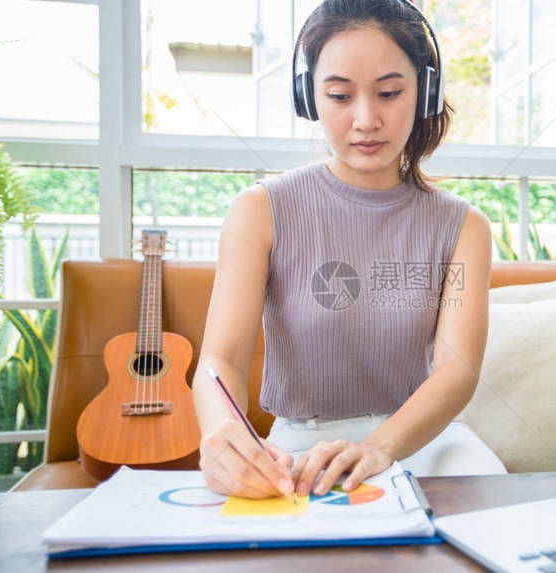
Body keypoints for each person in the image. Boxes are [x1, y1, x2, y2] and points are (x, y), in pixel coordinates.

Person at [192, 0, 506, 501]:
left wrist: (382, 446)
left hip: (418, 442)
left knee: (488, 496)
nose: (366, 119)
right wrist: (221, 434)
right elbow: (220, 358)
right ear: (309, 97)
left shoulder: (463, 226)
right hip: (300, 445)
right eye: (339, 95)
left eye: (388, 92)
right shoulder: (260, 210)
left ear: (424, 92)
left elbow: (456, 369)